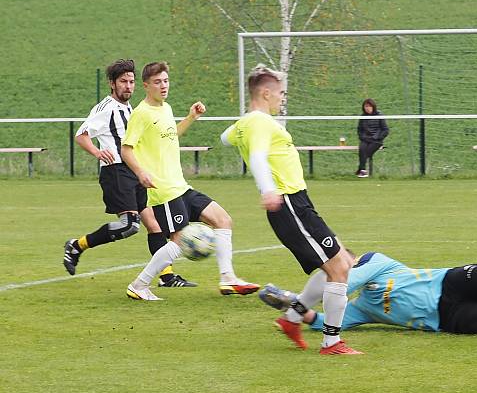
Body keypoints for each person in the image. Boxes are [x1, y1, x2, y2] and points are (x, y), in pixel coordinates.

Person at [221, 64, 362, 355]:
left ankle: (293, 318)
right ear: (266, 92)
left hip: (297, 203)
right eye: (281, 93)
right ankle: (332, 342)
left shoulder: (246, 123)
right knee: (338, 268)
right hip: (288, 202)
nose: (282, 99)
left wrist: (241, 130)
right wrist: (267, 189)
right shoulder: (259, 121)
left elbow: (225, 137)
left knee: (343, 260)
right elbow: (258, 157)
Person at [121, 61, 259, 301]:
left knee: (223, 220)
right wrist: (141, 173)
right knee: (178, 241)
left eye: (166, 81)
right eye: (157, 82)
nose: (163, 86)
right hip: (162, 190)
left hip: (181, 186)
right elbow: (126, 149)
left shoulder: (165, 108)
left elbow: (170, 135)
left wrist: (191, 117)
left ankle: (228, 278)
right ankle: (139, 284)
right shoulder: (141, 113)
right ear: (146, 86)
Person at [62, 59, 194, 288]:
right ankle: (77, 245)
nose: (128, 86)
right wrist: (97, 151)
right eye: (123, 81)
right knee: (129, 226)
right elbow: (81, 135)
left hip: (134, 171)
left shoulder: (131, 109)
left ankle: (167, 276)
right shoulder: (105, 108)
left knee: (155, 226)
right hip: (116, 172)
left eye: (131, 81)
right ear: (112, 84)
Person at [260, 251, 477, 334]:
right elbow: (323, 323)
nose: (347, 266)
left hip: (449, 282)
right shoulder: (361, 310)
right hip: (446, 318)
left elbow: (344, 283)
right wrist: (293, 306)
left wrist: (300, 297)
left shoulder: (377, 262)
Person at [355, 98, 388, 178]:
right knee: (362, 149)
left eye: (369, 106)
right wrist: (362, 137)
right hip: (365, 139)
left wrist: (378, 137)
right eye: (366, 106)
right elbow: (359, 129)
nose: (367, 108)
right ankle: (363, 171)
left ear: (373, 106)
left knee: (366, 153)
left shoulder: (379, 115)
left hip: (376, 141)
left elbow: (385, 130)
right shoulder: (362, 117)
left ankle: (361, 170)